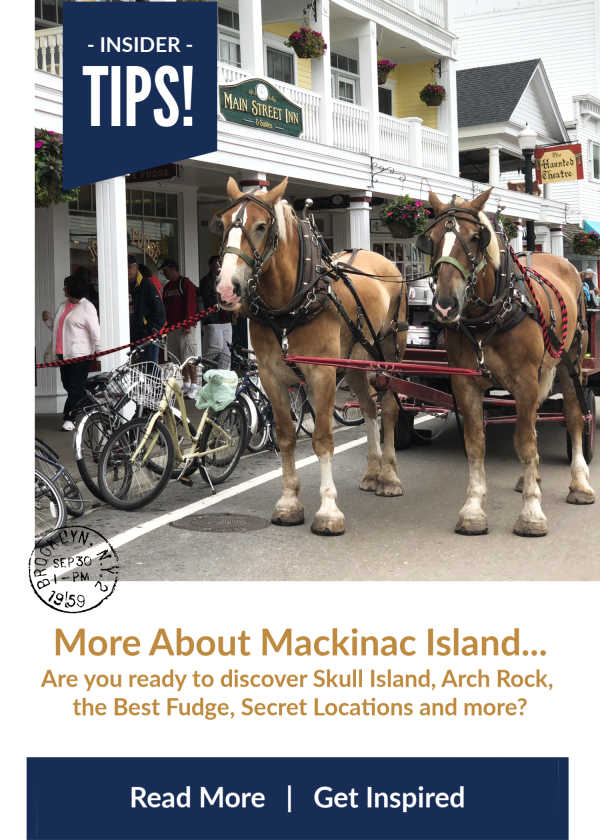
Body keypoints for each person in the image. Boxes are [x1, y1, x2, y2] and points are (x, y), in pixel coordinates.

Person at [43, 274, 100, 431]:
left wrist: (99, 352)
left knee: (75, 387)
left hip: (80, 355)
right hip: (63, 354)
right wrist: (48, 320)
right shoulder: (63, 306)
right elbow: (58, 328)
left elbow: (96, 332)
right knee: (69, 385)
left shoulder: (87, 307)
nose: (63, 289)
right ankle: (91, 404)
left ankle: (70, 418)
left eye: (66, 287)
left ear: (73, 288)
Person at [160, 258, 199, 398]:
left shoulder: (185, 283)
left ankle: (194, 385)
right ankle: (186, 383)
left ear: (172, 269)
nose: (164, 274)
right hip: (172, 328)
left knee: (189, 357)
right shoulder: (167, 287)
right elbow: (165, 307)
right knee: (178, 359)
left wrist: (188, 324)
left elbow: (190, 305)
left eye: (165, 271)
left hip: (185, 327)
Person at [128, 254, 166, 364]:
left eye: (130, 267)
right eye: (125, 267)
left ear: (136, 268)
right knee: (135, 371)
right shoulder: (124, 286)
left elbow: (160, 312)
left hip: (148, 336)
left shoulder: (146, 284)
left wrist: (151, 331)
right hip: (132, 337)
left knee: (150, 369)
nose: (127, 271)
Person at [199, 255, 233, 370]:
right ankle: (207, 376)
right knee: (213, 351)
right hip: (213, 321)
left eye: (221, 262)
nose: (220, 265)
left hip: (226, 320)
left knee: (226, 352)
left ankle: (224, 379)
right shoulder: (206, 281)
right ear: (211, 265)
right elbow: (207, 299)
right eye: (217, 262)